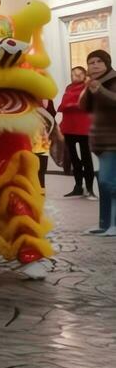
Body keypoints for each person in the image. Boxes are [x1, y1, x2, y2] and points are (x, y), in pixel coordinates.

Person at [82, 49, 116, 237]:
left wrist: (100, 90)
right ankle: (104, 224)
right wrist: (89, 89)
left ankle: (114, 224)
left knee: (108, 181)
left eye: (98, 62)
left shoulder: (113, 80)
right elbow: (84, 107)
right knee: (104, 184)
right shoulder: (94, 83)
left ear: (106, 64)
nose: (94, 66)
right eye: (91, 62)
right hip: (100, 140)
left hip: (113, 139)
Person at [58, 65, 94, 198]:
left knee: (86, 158)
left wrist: (69, 105)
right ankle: (78, 186)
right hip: (69, 127)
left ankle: (90, 189)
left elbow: (84, 105)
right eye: (73, 74)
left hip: (84, 127)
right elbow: (63, 105)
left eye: (79, 74)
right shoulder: (69, 88)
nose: (75, 76)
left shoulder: (88, 87)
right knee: (73, 158)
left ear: (85, 75)